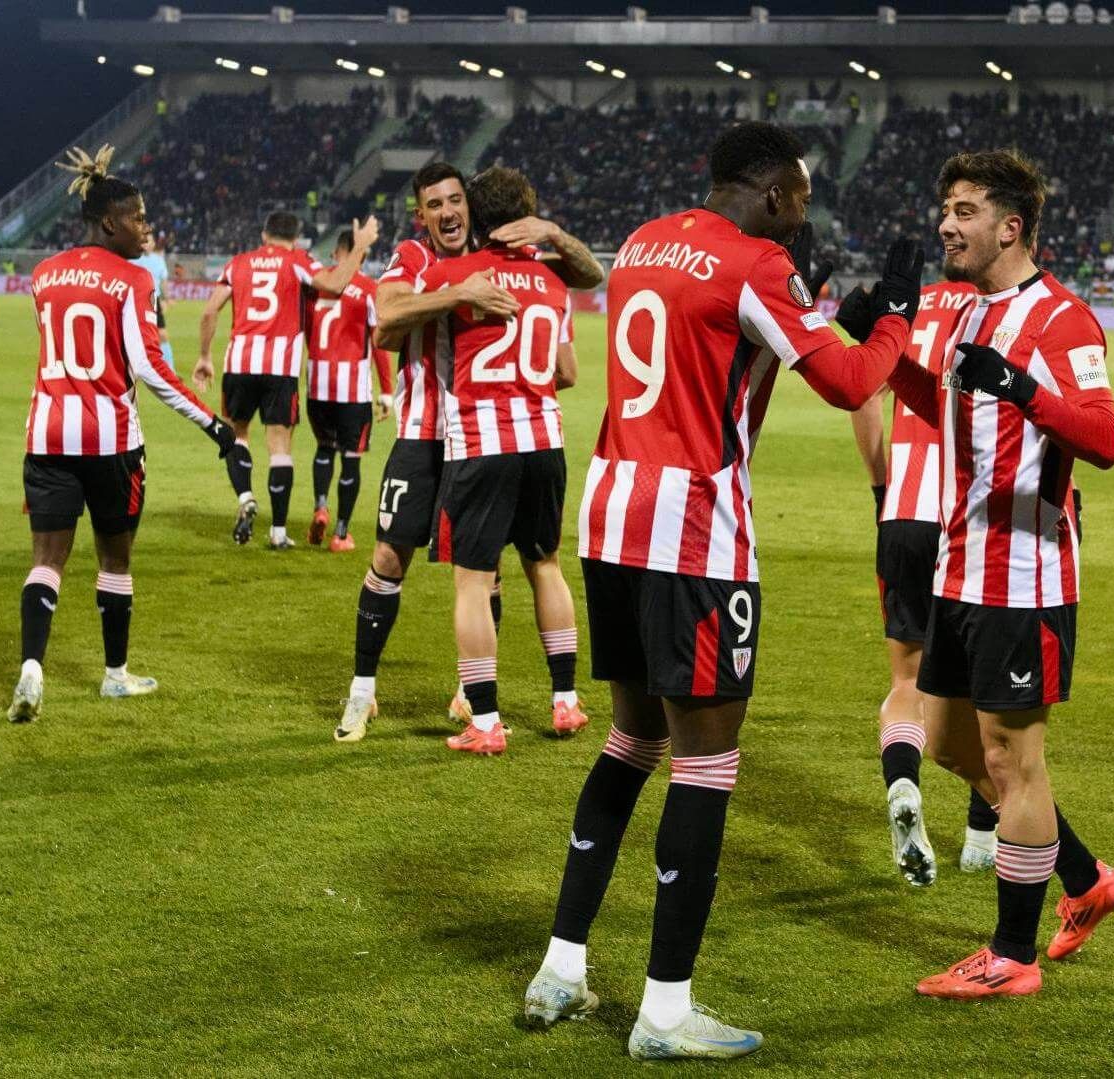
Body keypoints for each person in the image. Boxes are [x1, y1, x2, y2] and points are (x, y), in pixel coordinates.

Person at [526, 122, 916, 1059]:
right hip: (697, 531)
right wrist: (898, 313)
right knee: (705, 762)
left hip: (613, 512)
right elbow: (852, 378)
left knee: (631, 741)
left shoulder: (646, 244)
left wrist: (841, 307)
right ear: (778, 193)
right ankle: (664, 1010)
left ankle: (562, 968)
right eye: (803, 203)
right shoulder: (757, 265)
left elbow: (740, 347)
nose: (803, 220)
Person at [885, 150, 1114, 1000]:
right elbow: (951, 414)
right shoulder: (967, 318)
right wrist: (880, 350)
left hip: (1023, 578)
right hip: (960, 568)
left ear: (1010, 226)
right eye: (945, 208)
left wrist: (1025, 386)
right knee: (952, 742)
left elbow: (1103, 440)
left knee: (1015, 762)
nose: (946, 224)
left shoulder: (1062, 321)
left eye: (963, 210)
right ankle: (1086, 876)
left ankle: (1011, 956)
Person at [333, 161, 604, 743]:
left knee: (487, 571)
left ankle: (472, 696)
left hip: (478, 439)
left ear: (472, 209)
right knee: (388, 558)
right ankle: (362, 690)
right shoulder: (415, 258)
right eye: (435, 205)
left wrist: (551, 232)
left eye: (456, 201)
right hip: (422, 433)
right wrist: (459, 293)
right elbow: (385, 322)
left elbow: (587, 274)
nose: (448, 212)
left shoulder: (503, 255)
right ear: (421, 215)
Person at [7, 145, 235, 723]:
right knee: (115, 560)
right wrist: (213, 423)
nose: (146, 229)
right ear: (109, 221)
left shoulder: (44, 274)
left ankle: (32, 667)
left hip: (47, 435)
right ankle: (114, 677)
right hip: (110, 442)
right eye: (138, 218)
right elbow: (150, 368)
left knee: (46, 560)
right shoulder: (132, 279)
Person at [413, 166, 589, 755]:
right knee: (546, 565)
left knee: (472, 582)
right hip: (545, 441)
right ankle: (565, 702)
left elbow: (394, 322)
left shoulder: (452, 274)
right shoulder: (553, 284)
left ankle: (485, 722)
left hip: (482, 445)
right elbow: (567, 372)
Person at [842, 277, 1000, 886]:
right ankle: (983, 838)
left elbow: (863, 392)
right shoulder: (1000, 309)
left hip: (904, 514)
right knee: (989, 683)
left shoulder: (908, 308)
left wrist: (884, 482)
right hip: (968, 519)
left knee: (907, 679)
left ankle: (903, 780)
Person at [192, 211, 379, 549]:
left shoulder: (238, 263)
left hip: (239, 363)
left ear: (264, 235)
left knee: (239, 437)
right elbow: (336, 284)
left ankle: (246, 497)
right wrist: (361, 244)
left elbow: (208, 311)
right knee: (280, 449)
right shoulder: (296, 260)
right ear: (296, 238)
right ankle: (278, 532)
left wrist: (205, 356)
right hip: (280, 369)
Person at [305, 228, 394, 553]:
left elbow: (307, 331)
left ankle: (320, 506)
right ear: (363, 255)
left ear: (335, 254)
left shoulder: (317, 285)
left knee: (324, 448)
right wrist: (387, 390)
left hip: (318, 385)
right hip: (353, 389)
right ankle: (341, 533)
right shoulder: (370, 289)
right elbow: (380, 342)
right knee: (351, 457)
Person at [130, 232, 173, 369]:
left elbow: (163, 281)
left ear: (153, 244)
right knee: (134, 335)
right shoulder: (132, 259)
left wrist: (167, 298)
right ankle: (131, 368)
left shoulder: (159, 260)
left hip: (154, 300)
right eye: (144, 241)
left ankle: (169, 369)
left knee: (162, 334)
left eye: (149, 241)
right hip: (137, 301)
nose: (147, 244)